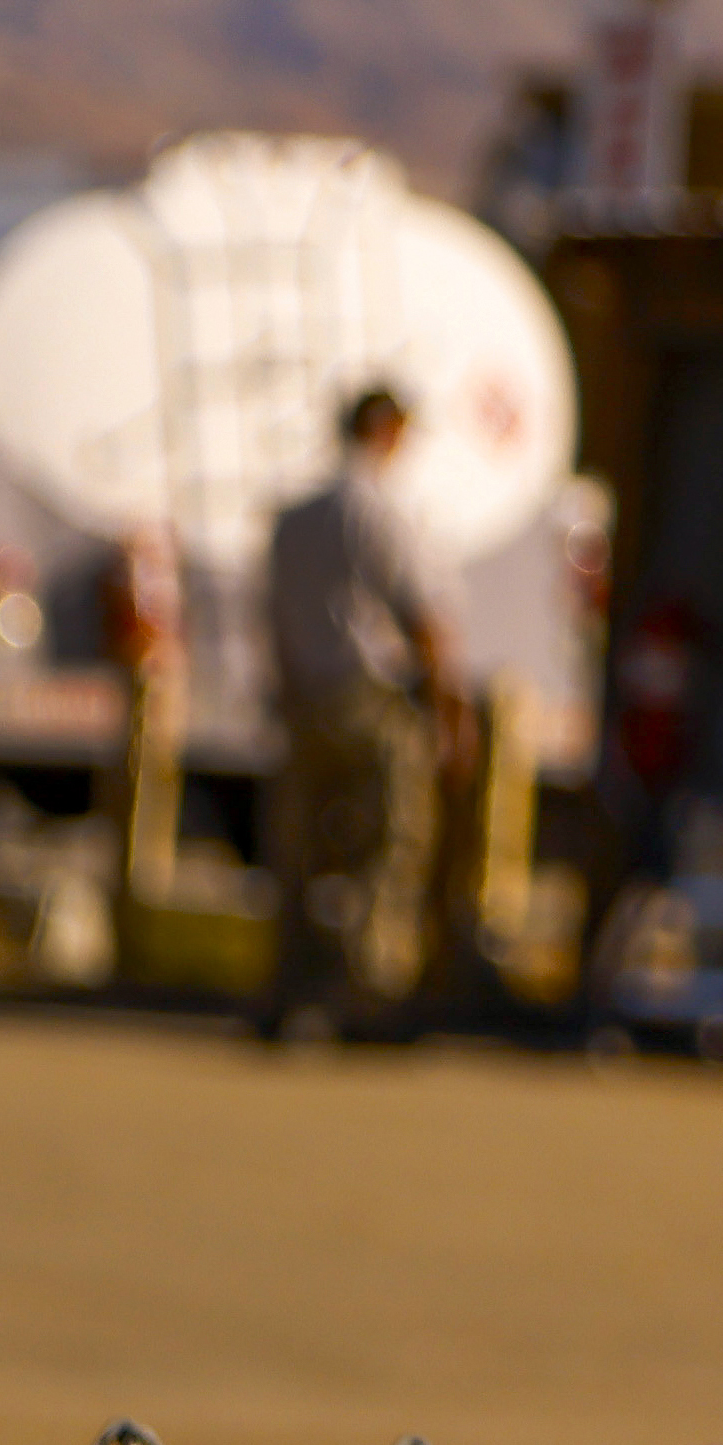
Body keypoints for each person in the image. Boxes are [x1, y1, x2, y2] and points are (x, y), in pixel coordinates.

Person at [252, 383, 452, 1045]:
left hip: (306, 698)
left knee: (300, 849)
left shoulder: (295, 515)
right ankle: (371, 991)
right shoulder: (376, 509)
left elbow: (273, 616)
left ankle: (289, 987)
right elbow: (420, 611)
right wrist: (447, 705)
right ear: (388, 430)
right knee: (390, 843)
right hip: (369, 696)